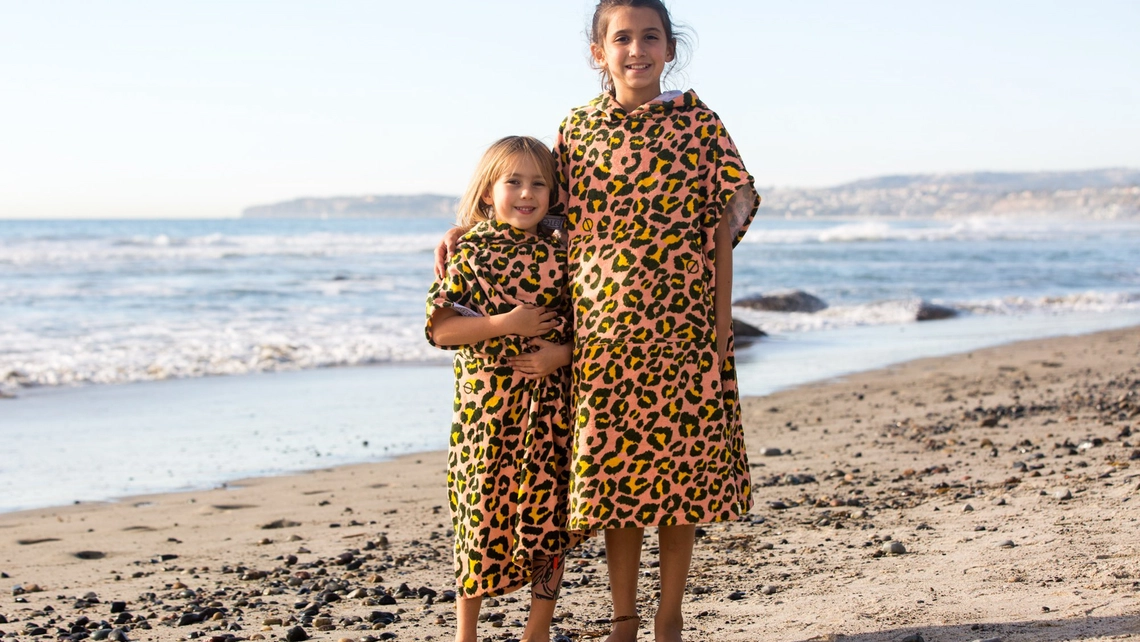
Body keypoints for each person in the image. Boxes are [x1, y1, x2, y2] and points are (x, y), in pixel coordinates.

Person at [435, 2, 759, 640]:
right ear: (597, 51)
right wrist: (465, 229)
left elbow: (725, 223)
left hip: (682, 326)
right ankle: (623, 619)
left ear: (669, 48)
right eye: (621, 38)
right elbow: (540, 215)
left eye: (650, 37)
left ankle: (669, 615)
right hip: (601, 334)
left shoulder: (699, 124)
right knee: (618, 477)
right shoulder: (576, 131)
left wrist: (721, 323)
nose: (635, 49)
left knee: (681, 471)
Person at [426, 135, 581, 642]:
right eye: (512, 181)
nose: (526, 193)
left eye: (539, 183)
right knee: (478, 513)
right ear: (488, 190)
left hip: (551, 410)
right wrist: (506, 323)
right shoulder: (469, 251)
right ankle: (464, 632)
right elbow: (442, 330)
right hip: (485, 414)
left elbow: (594, 328)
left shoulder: (566, 255)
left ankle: (538, 630)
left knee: (550, 518)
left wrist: (560, 354)